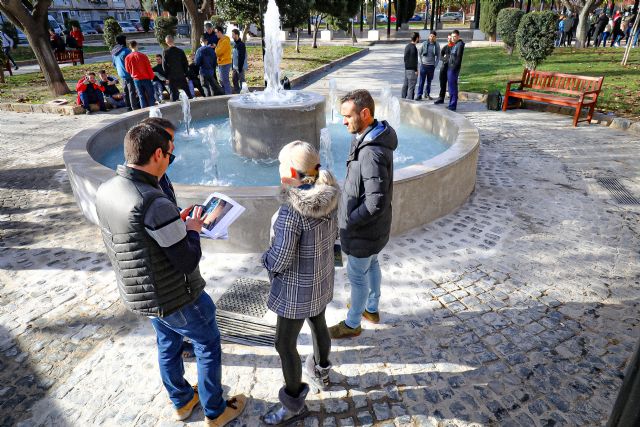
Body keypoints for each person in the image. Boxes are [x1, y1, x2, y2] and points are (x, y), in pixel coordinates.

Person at [95, 123, 247, 427]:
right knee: (207, 345)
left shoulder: (109, 188)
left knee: (167, 344)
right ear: (156, 154)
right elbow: (186, 259)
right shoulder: (152, 200)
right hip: (177, 295)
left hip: (144, 291)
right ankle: (215, 411)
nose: (170, 159)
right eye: (169, 154)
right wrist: (191, 229)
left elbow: (138, 237)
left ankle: (181, 401)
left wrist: (174, 224)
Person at [261, 141, 340, 425]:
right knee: (318, 322)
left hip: (295, 289)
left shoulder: (291, 211)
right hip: (320, 278)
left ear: (292, 172)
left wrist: (264, 260)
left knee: (284, 344)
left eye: (281, 166)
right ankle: (322, 372)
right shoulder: (330, 192)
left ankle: (293, 404)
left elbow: (280, 259)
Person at [328, 89, 397, 339]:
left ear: (365, 114)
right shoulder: (370, 138)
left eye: (347, 116)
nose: (343, 121)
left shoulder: (371, 152)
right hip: (375, 230)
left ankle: (353, 322)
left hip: (363, 231)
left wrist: (348, 223)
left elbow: (375, 201)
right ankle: (371, 309)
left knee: (357, 276)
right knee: (373, 264)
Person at [111, 34, 140, 111]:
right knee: (132, 92)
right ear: (123, 41)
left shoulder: (114, 52)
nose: (127, 41)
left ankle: (128, 107)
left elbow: (114, 64)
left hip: (121, 75)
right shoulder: (126, 51)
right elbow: (133, 62)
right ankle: (134, 107)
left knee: (126, 92)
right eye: (126, 40)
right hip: (129, 74)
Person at [125, 40, 156, 108]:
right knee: (151, 95)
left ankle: (143, 112)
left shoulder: (127, 58)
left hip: (136, 79)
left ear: (130, 47)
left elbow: (127, 69)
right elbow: (148, 67)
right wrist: (151, 77)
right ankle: (153, 110)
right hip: (146, 78)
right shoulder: (143, 56)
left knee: (141, 96)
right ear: (136, 45)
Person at [163, 35, 192, 101]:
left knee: (173, 94)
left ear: (166, 42)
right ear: (173, 41)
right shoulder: (180, 51)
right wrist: (186, 75)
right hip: (181, 75)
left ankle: (174, 109)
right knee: (188, 93)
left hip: (171, 76)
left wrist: (167, 77)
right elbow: (185, 64)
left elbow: (164, 66)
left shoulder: (165, 52)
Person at [416, 31, 440, 100]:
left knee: (429, 81)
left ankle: (427, 94)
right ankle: (419, 95)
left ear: (435, 37)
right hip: (424, 65)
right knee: (421, 81)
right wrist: (420, 62)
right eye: (431, 36)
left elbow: (438, 56)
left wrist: (435, 65)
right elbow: (419, 53)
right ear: (429, 36)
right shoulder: (424, 44)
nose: (432, 37)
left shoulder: (436, 45)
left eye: (433, 36)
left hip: (431, 66)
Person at [446, 29, 464, 112]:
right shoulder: (455, 44)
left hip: (453, 69)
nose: (453, 38)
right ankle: (450, 104)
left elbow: (458, 58)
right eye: (452, 37)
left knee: (453, 87)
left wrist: (454, 68)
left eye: (454, 37)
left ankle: (453, 105)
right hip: (450, 68)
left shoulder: (460, 44)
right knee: (450, 87)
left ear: (458, 36)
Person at [434, 34, 453, 105]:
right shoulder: (445, 47)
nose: (449, 40)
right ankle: (441, 98)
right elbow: (440, 56)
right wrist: (445, 59)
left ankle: (452, 99)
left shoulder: (455, 47)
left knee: (451, 84)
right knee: (442, 83)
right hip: (444, 67)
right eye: (448, 38)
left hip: (451, 68)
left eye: (451, 38)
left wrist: (448, 58)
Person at [214, 26, 232, 95]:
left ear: (219, 32)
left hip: (225, 63)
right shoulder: (220, 41)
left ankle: (228, 95)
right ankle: (225, 94)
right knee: (222, 80)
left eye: (216, 32)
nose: (215, 34)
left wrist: (216, 49)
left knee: (225, 81)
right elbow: (217, 50)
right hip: (221, 63)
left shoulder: (225, 41)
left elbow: (218, 52)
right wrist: (216, 49)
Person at [401, 32, 419, 100]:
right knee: (411, 87)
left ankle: (402, 99)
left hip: (407, 69)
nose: (419, 38)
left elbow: (405, 58)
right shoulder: (414, 48)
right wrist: (416, 70)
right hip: (412, 70)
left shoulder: (407, 46)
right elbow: (413, 60)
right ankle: (409, 102)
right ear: (416, 38)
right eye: (419, 37)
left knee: (405, 85)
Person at [231, 29, 247, 94]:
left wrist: (240, 69)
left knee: (242, 81)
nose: (232, 36)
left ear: (237, 35)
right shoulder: (235, 44)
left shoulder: (241, 45)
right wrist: (233, 67)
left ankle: (244, 94)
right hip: (235, 67)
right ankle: (238, 93)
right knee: (234, 80)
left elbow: (241, 57)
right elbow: (234, 56)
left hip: (240, 67)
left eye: (233, 35)